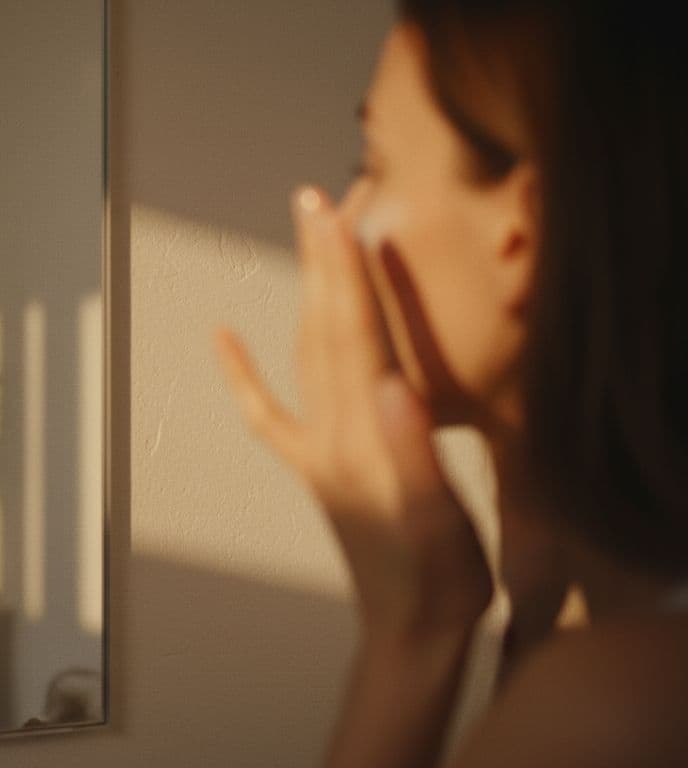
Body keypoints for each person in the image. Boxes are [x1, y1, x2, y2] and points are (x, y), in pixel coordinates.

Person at [217, 1, 688, 765]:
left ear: (521, 236)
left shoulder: (611, 706)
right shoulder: (578, 614)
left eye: (371, 166)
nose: (345, 218)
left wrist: (410, 636)